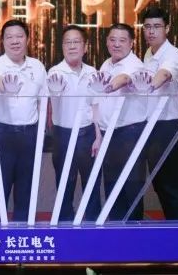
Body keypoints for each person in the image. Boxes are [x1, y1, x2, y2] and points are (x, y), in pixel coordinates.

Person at [0, 19, 47, 221]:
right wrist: (5, 86)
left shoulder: (37, 66)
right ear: (2, 41)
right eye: (9, 37)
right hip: (2, 133)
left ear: (27, 39)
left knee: (26, 188)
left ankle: (23, 231)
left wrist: (42, 132)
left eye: (19, 36)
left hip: (30, 134)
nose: (15, 41)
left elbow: (43, 101)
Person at [47, 25, 103, 221]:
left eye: (76, 42)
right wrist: (55, 91)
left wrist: (98, 136)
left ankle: (93, 224)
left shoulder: (92, 72)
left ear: (85, 47)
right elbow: (53, 97)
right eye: (67, 42)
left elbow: (95, 106)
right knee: (65, 183)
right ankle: (64, 225)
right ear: (62, 47)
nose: (72, 46)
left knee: (92, 182)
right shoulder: (55, 72)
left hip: (88, 133)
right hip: (63, 134)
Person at [96, 23, 148, 220]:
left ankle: (134, 232)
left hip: (129, 133)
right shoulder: (106, 64)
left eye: (122, 40)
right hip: (109, 133)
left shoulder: (135, 64)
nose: (116, 44)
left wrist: (109, 87)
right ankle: (115, 230)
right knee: (111, 185)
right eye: (112, 39)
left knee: (131, 185)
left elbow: (125, 78)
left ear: (132, 43)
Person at [140, 7, 178, 220]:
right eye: (147, 27)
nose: (151, 31)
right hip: (150, 124)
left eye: (157, 26)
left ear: (167, 28)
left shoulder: (172, 53)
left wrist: (146, 86)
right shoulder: (148, 53)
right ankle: (172, 226)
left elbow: (164, 75)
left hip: (168, 125)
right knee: (159, 181)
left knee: (171, 182)